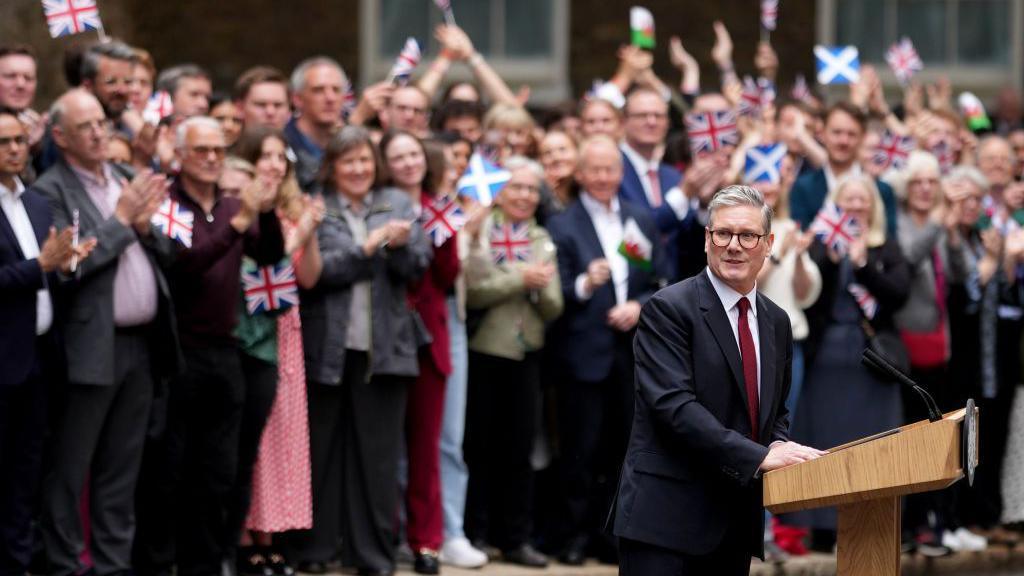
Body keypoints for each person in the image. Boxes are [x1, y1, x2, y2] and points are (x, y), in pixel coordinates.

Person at [613, 185, 824, 575]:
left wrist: (780, 446)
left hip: (733, 524)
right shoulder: (669, 309)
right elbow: (674, 408)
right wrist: (760, 456)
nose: (734, 246)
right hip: (665, 523)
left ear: (768, 243)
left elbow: (774, 412)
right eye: (722, 234)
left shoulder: (777, 321)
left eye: (747, 235)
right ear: (707, 239)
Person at [34, 89, 181, 576]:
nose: (100, 132)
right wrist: (121, 221)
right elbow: (68, 269)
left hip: (142, 345)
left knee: (122, 468)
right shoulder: (49, 191)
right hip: (89, 347)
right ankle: (65, 565)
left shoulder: (123, 177)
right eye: (86, 126)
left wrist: (143, 228)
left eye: (102, 123)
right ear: (60, 137)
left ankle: (114, 566)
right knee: (72, 468)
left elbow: (164, 254)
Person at [133, 116, 284, 576]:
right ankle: (159, 564)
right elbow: (185, 265)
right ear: (179, 154)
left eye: (219, 150)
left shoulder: (232, 204)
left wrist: (268, 209)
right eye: (202, 150)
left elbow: (269, 254)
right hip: (178, 351)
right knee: (168, 470)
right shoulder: (168, 204)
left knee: (217, 473)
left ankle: (205, 564)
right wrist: (241, 221)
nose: (213, 158)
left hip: (225, 351)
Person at [291, 125, 430, 576]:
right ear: (332, 167)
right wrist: (369, 247)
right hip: (327, 348)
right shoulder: (319, 208)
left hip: (385, 350)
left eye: (365, 160)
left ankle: (372, 556)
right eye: (348, 161)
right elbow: (322, 272)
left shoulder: (399, 202)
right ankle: (314, 552)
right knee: (322, 454)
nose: (358, 169)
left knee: (379, 460)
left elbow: (418, 267)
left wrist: (401, 247)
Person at [548, 135, 668, 565]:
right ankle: (574, 537)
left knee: (624, 449)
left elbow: (662, 279)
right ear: (579, 174)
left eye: (610, 169)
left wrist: (640, 306)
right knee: (580, 448)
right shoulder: (562, 224)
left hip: (631, 354)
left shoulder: (640, 219)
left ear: (621, 173)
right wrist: (584, 284)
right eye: (594, 170)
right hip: (582, 352)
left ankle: (611, 535)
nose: (603, 178)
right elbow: (553, 290)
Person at [789, 175, 910, 550]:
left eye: (862, 200)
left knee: (873, 443)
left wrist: (864, 268)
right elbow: (808, 296)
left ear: (873, 205)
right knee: (824, 441)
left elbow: (897, 296)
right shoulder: (823, 244)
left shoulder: (884, 246)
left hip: (871, 359)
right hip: (827, 356)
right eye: (848, 200)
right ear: (836, 205)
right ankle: (823, 528)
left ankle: (874, 523)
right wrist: (827, 260)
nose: (856, 206)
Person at [0, 107, 93, 576]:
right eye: (4, 142)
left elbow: (48, 275)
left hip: (39, 358)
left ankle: (18, 563)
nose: (15, 149)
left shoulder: (36, 202)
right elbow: (26, 271)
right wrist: (39, 265)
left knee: (27, 471)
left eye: (20, 140)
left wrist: (67, 265)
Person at [228, 127, 323, 575]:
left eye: (278, 156)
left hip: (287, 331)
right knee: (254, 440)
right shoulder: (240, 210)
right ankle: (245, 537)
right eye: (263, 156)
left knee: (282, 439)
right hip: (253, 333)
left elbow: (307, 277)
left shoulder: (292, 208)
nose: (273, 164)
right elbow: (257, 266)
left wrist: (311, 231)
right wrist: (296, 233)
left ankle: (272, 535)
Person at [463, 157, 562, 568]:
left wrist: (537, 289)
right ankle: (477, 533)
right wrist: (520, 279)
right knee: (479, 446)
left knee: (520, 449)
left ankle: (515, 538)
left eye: (531, 189)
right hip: (485, 350)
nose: (524, 195)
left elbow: (555, 304)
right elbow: (472, 291)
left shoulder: (541, 236)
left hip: (528, 353)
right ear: (499, 190)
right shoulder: (483, 230)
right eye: (516, 187)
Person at [379, 130, 459, 575]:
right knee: (386, 444)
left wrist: (445, 236)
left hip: (429, 337)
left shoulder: (438, 209)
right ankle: (384, 533)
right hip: (385, 335)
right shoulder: (378, 205)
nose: (408, 162)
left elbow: (448, 277)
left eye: (413, 154)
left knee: (426, 446)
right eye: (398, 155)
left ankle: (426, 540)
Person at [789, 103, 898, 237]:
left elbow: (890, 242)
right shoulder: (803, 187)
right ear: (822, 134)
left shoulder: (882, 191)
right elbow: (799, 238)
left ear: (862, 137)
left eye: (851, 134)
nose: (843, 140)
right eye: (837, 132)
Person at [285, 57, 346, 191]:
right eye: (318, 90)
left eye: (336, 90)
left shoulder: (354, 145)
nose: (330, 98)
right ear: (297, 99)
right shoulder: (281, 146)